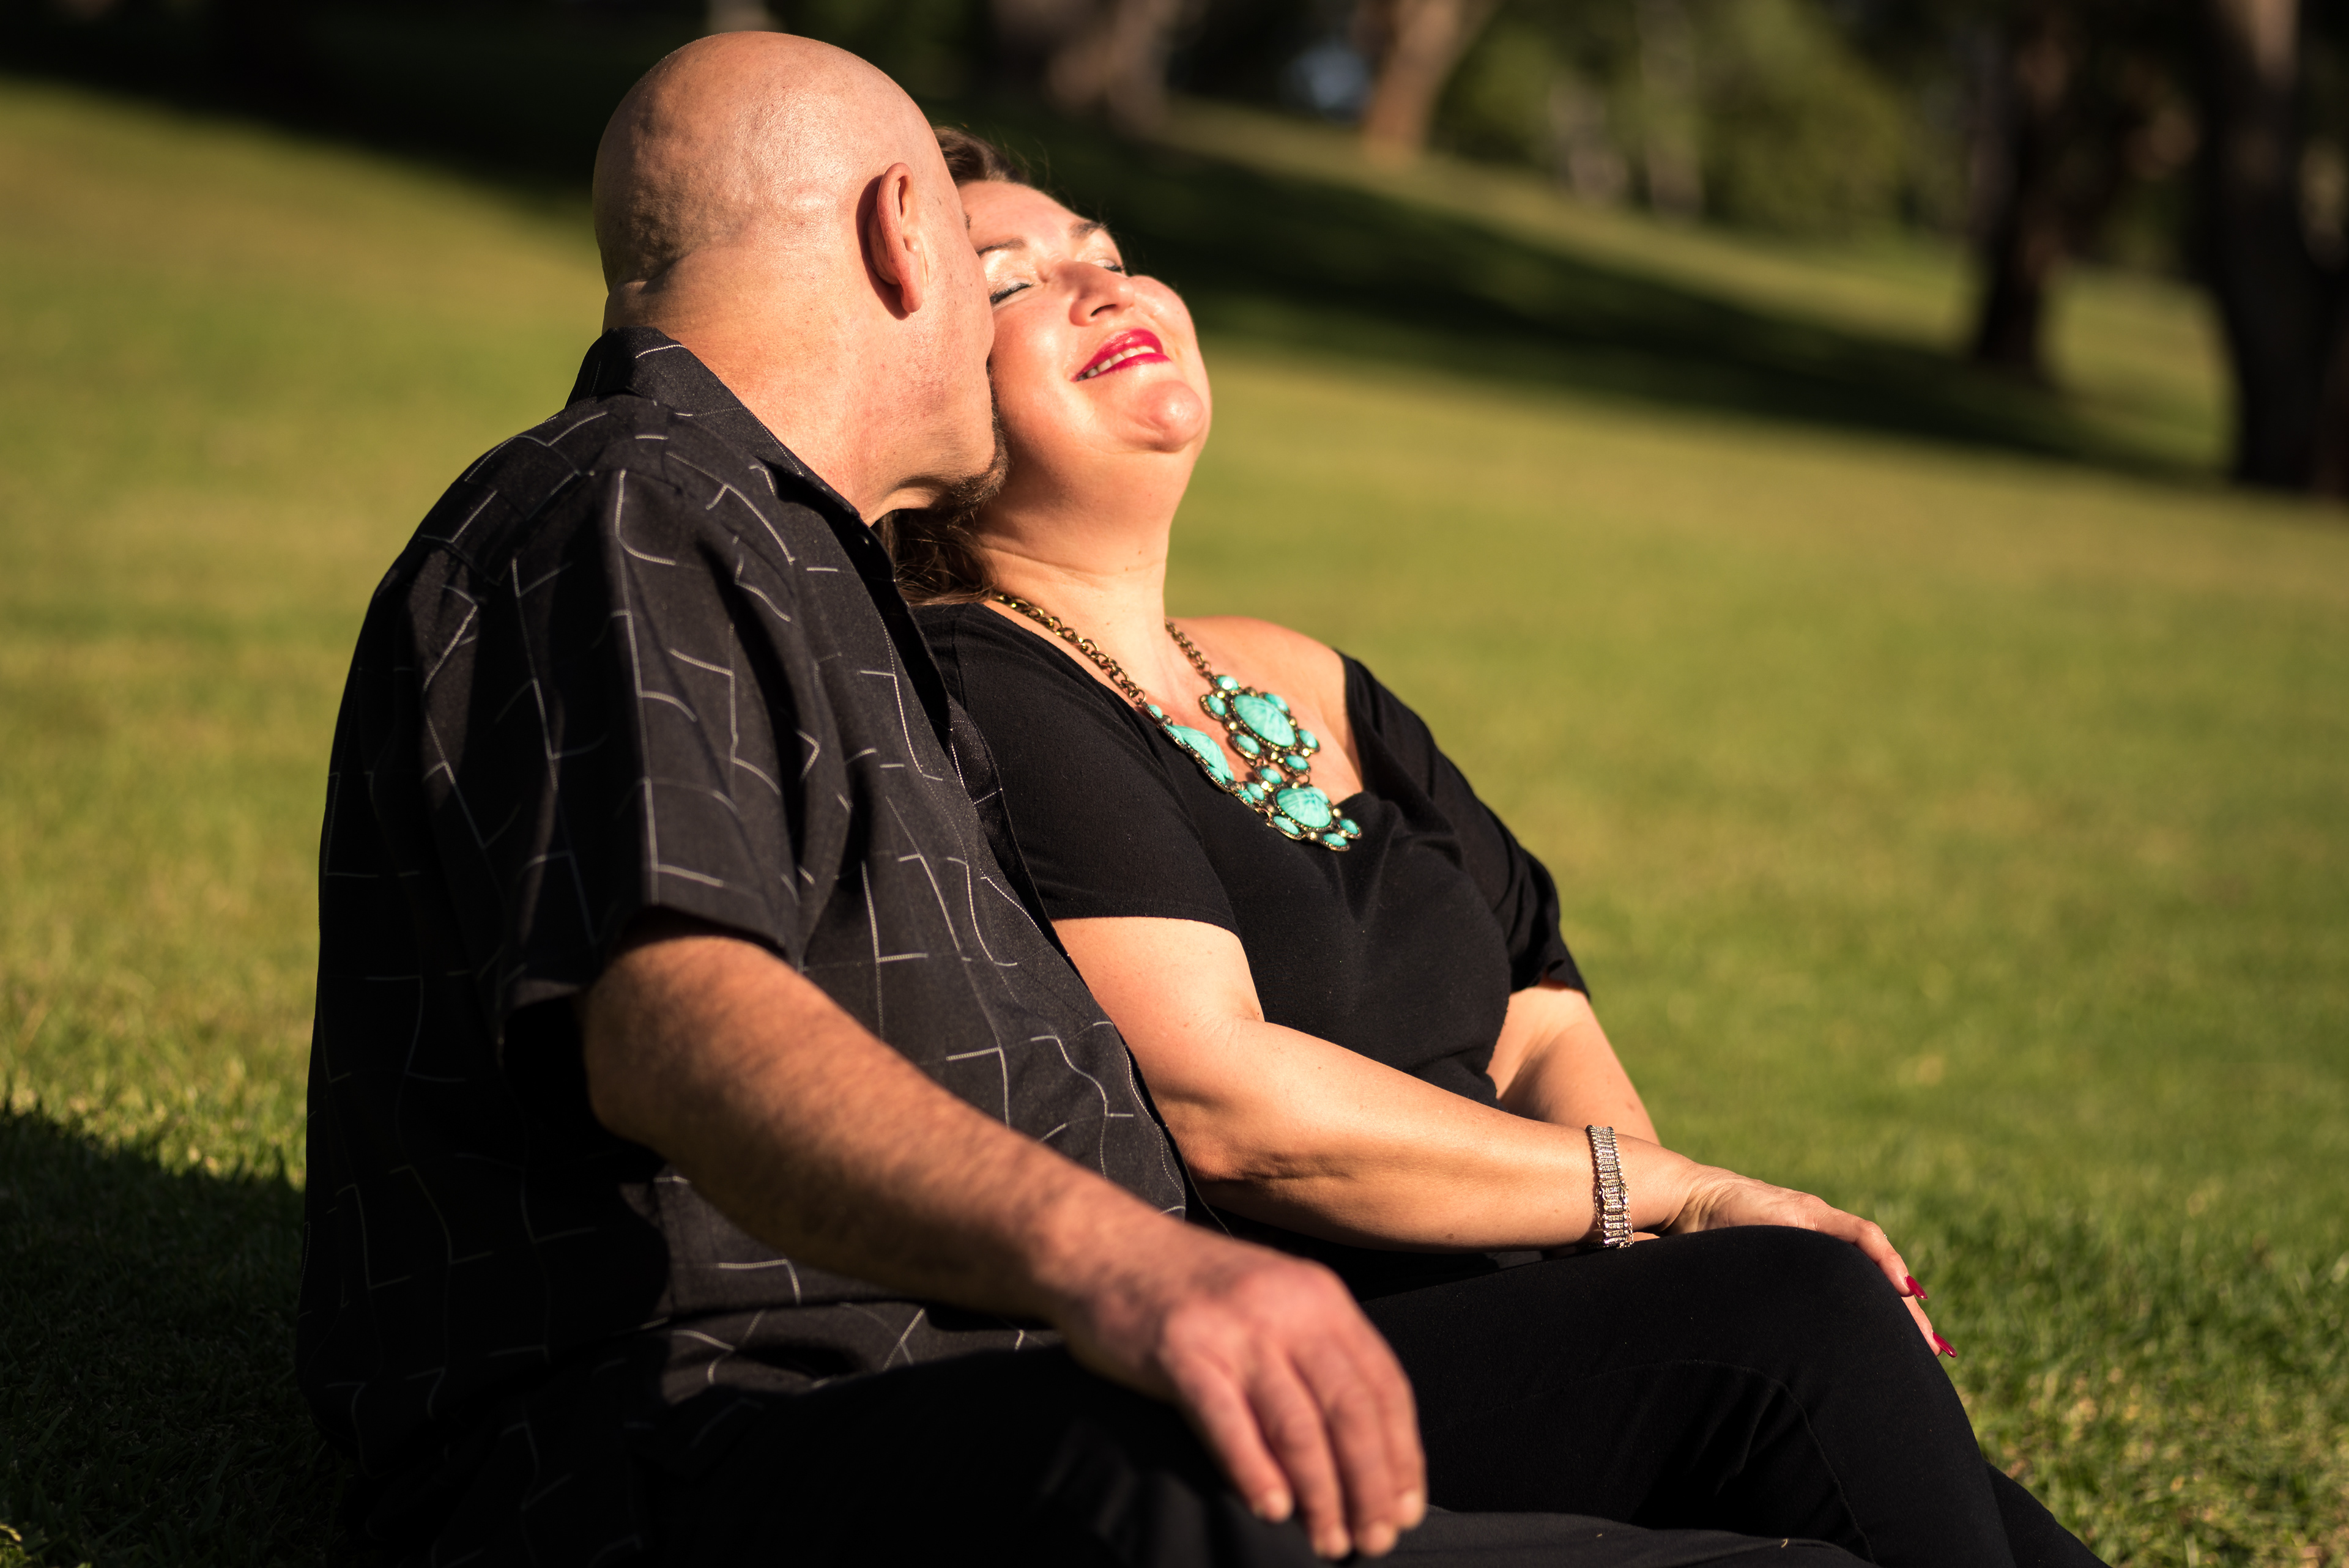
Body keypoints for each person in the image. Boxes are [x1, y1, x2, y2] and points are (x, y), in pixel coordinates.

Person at [295, 31, 1883, 1568]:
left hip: (1016, 1406)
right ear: (903, 233)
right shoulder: (633, 503)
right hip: (714, 1443)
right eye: (1002, 266)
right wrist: (1127, 1263)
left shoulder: (816, 584)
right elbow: (670, 1016)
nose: (1088, 291)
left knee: (1776, 1339)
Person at [896, 132, 2111, 1568]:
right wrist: (1667, 1197)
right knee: (1797, 1320)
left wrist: (1646, 1259)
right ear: (928, 391)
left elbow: (1538, 1007)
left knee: (1938, 1468)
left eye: (1107, 253)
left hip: (1527, 1297)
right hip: (1315, 1351)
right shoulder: (986, 685)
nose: (1104, 288)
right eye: (1012, 281)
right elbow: (1229, 1105)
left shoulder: (1301, 673)